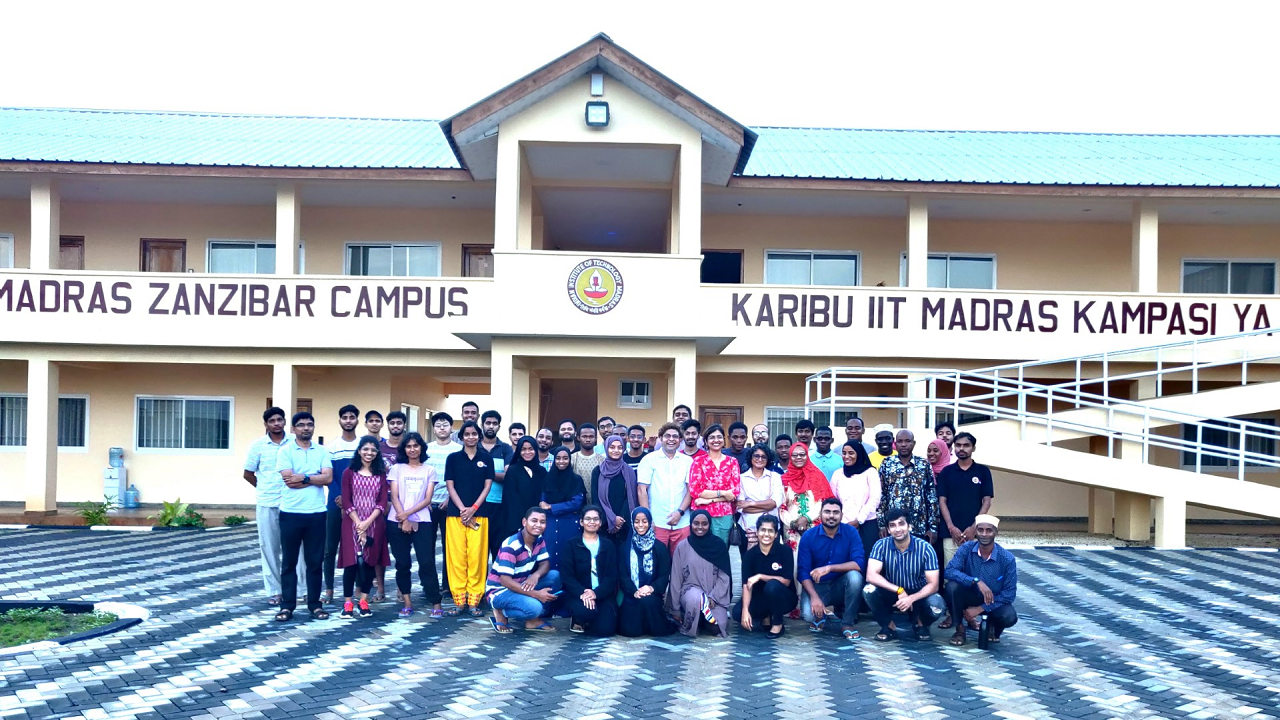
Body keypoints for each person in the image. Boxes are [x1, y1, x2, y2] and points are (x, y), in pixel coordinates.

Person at [273, 411, 332, 622]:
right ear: (293, 428)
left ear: (313, 427)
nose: (306, 428)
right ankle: (287, 605)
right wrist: (314, 478)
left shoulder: (323, 451)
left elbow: (328, 478)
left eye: (309, 424)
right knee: (289, 562)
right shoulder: (285, 451)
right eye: (301, 425)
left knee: (315, 562)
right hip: (290, 513)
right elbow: (289, 480)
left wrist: (304, 477)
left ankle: (315, 605)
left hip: (316, 513)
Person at [243, 406, 304, 607]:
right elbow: (248, 473)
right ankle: (275, 591)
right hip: (268, 503)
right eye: (272, 421)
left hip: (293, 504)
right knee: (269, 547)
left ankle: (302, 590)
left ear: (285, 422)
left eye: (280, 419)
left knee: (299, 548)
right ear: (266, 424)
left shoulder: (295, 443)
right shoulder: (257, 446)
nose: (276, 423)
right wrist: (264, 488)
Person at [863, 508, 947, 642]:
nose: (897, 529)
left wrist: (911, 598)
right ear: (888, 530)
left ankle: (921, 624)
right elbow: (871, 575)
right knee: (869, 590)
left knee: (937, 605)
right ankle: (888, 626)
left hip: (919, 593)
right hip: (892, 591)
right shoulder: (880, 545)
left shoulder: (925, 548)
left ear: (909, 526)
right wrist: (899, 590)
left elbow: (934, 584)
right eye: (892, 525)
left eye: (901, 524)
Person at [387, 431, 443, 619]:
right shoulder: (397, 469)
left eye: (416, 446)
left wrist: (408, 516)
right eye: (408, 446)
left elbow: (428, 499)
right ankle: (407, 602)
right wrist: (403, 519)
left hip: (423, 521)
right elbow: (394, 496)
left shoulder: (429, 470)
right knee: (402, 563)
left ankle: (435, 601)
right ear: (404, 449)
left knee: (427, 561)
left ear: (421, 448)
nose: (412, 449)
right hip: (396, 521)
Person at [444, 420, 495, 616]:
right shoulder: (453, 458)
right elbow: (450, 486)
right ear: (462, 437)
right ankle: (459, 600)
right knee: (457, 557)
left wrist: (473, 508)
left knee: (477, 556)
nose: (471, 437)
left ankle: (474, 600)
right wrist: (462, 509)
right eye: (467, 434)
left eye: (474, 434)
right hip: (455, 515)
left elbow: (488, 486)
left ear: (479, 436)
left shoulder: (486, 458)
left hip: (480, 514)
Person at [943, 514, 1017, 646]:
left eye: (989, 530)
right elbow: (949, 571)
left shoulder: (1007, 559)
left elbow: (1009, 595)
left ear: (996, 533)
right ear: (975, 532)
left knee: (1009, 616)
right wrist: (976, 581)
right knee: (952, 587)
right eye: (980, 530)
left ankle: (993, 627)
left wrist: (980, 609)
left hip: (992, 600)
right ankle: (960, 629)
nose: (984, 534)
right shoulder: (966, 548)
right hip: (970, 594)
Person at [797, 498, 865, 640]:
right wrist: (814, 597)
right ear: (820, 514)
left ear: (841, 514)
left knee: (855, 577)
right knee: (808, 616)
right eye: (827, 512)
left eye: (836, 512)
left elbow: (859, 564)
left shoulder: (851, 532)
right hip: (818, 587)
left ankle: (847, 623)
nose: (831, 516)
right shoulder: (809, 536)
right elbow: (803, 572)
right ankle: (820, 614)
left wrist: (829, 568)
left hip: (841, 584)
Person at [338, 435, 390, 619]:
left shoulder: (381, 474)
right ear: (359, 450)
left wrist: (367, 523)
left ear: (378, 453)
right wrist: (358, 523)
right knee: (351, 563)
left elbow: (383, 502)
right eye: (366, 449)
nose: (369, 453)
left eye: (373, 450)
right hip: (351, 524)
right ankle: (347, 603)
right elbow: (346, 499)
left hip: (375, 524)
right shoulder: (349, 473)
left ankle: (364, 601)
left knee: (369, 563)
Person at [486, 506, 560, 633]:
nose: (538, 525)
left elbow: (545, 564)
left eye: (542, 522)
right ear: (524, 522)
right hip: (500, 591)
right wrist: (536, 594)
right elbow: (505, 581)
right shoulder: (511, 545)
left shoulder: (539, 539)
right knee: (535, 608)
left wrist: (535, 576)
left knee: (554, 576)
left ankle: (532, 621)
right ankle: (501, 611)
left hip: (521, 583)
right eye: (534, 521)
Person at [665, 510, 733, 638]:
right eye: (696, 523)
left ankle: (701, 618)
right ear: (691, 524)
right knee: (696, 599)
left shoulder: (718, 545)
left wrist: (713, 596)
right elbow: (676, 579)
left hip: (714, 595)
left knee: (718, 627)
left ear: (709, 524)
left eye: (704, 524)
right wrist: (675, 609)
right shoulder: (682, 546)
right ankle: (694, 618)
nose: (700, 527)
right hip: (691, 590)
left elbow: (724, 576)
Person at [323, 404, 361, 605]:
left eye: (352, 417)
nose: (348, 420)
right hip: (334, 504)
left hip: (359, 505)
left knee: (355, 548)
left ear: (357, 420)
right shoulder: (330, 447)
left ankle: (357, 587)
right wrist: (340, 497)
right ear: (340, 420)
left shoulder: (363, 445)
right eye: (344, 417)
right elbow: (329, 476)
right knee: (330, 548)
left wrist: (351, 499)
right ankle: (329, 588)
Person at [617, 507, 677, 637]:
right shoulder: (625, 548)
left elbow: (663, 576)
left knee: (648, 602)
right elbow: (623, 576)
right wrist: (634, 591)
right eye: (637, 521)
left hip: (652, 595)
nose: (640, 525)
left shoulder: (659, 548)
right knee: (630, 632)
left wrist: (651, 588)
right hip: (631, 596)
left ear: (650, 522)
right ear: (632, 524)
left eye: (644, 521)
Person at [560, 505, 618, 636]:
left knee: (605, 630)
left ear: (600, 522)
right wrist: (583, 593)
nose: (592, 522)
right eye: (588, 519)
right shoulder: (571, 545)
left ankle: (594, 620)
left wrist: (596, 593)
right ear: (581, 522)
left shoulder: (608, 545)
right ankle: (579, 619)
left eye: (595, 519)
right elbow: (567, 576)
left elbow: (611, 576)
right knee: (586, 612)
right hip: (578, 595)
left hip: (601, 594)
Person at [735, 515, 796, 638]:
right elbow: (746, 585)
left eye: (770, 531)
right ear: (757, 532)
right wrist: (745, 611)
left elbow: (786, 581)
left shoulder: (785, 551)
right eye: (763, 530)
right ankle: (766, 616)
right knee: (737, 613)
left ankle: (777, 623)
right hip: (761, 597)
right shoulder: (749, 555)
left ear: (776, 534)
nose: (766, 534)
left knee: (772, 586)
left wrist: (760, 576)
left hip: (784, 598)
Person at [637, 422, 693, 552]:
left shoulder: (687, 461)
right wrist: (647, 519)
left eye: (675, 436)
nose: (671, 439)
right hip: (656, 521)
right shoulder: (649, 460)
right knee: (657, 561)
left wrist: (680, 512)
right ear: (660, 438)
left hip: (682, 521)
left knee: (681, 561)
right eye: (667, 436)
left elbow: (690, 490)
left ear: (680, 440)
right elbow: (642, 490)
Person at [937, 432, 992, 564]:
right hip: (950, 533)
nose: (961, 449)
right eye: (958, 445)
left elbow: (987, 501)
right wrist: (951, 527)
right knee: (951, 574)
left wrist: (974, 527)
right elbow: (942, 501)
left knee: (974, 572)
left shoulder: (983, 471)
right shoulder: (946, 472)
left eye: (966, 445)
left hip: (975, 533)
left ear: (973, 448)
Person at [877, 430, 938, 544]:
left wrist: (933, 527)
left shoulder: (924, 464)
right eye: (900, 441)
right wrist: (881, 525)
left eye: (907, 441)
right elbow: (881, 496)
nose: (904, 444)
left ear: (913, 443)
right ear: (895, 444)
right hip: (894, 526)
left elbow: (931, 497)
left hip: (919, 526)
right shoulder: (887, 464)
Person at [425, 412, 460, 602]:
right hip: (428, 506)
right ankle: (430, 586)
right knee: (426, 547)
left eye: (445, 424)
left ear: (451, 427)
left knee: (450, 547)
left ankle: (448, 586)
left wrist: (450, 499)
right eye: (438, 425)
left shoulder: (457, 450)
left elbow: (460, 479)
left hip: (449, 505)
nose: (441, 428)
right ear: (434, 428)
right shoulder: (427, 450)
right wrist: (426, 500)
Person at [688, 424, 741, 545]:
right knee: (700, 549)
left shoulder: (732, 462)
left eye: (719, 437)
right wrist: (722, 493)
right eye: (712, 437)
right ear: (706, 441)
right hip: (701, 514)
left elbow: (734, 493)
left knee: (720, 549)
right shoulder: (698, 461)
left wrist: (708, 500)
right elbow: (695, 490)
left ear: (724, 440)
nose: (716, 440)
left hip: (724, 514)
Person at [779, 443, 835, 548]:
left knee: (816, 560)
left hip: (815, 527)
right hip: (791, 530)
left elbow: (823, 501)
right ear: (790, 457)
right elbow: (781, 507)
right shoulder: (784, 479)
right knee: (794, 561)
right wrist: (793, 523)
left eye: (802, 454)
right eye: (794, 455)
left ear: (807, 456)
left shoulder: (817, 476)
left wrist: (806, 518)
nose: (799, 457)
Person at [540, 446, 587, 569]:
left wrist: (551, 507)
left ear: (570, 460)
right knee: (549, 554)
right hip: (550, 524)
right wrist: (548, 506)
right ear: (554, 460)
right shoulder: (547, 478)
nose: (562, 461)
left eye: (565, 458)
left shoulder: (576, 480)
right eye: (558, 458)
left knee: (568, 555)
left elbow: (576, 503)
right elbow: (542, 501)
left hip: (570, 523)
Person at [833, 440, 882, 560]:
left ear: (859, 454)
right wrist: (843, 520)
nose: (846, 456)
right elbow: (833, 500)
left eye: (851, 453)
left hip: (867, 523)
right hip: (843, 524)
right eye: (844, 453)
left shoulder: (870, 472)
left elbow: (875, 498)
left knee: (867, 558)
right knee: (845, 557)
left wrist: (859, 520)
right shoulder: (838, 474)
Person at [591, 436, 639, 546]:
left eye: (619, 447)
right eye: (612, 447)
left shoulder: (629, 471)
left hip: (623, 523)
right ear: (606, 448)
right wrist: (610, 519)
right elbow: (595, 498)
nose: (616, 451)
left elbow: (631, 497)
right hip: (604, 524)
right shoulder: (598, 471)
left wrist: (619, 520)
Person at [501, 437, 546, 554]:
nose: (527, 452)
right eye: (523, 449)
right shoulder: (513, 470)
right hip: (518, 524)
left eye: (530, 449)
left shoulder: (541, 471)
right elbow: (510, 500)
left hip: (538, 523)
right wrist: (521, 524)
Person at [480, 410, 514, 559]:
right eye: (488, 423)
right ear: (482, 425)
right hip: (477, 506)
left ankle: (497, 583)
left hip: (499, 507)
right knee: (479, 552)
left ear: (499, 426)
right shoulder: (474, 447)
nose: (491, 426)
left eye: (494, 424)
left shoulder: (505, 449)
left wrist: (484, 472)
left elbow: (508, 476)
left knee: (498, 551)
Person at [736, 445, 782, 550]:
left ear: (768, 459)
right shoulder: (741, 479)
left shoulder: (775, 477)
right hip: (748, 529)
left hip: (771, 529)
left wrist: (750, 503)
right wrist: (766, 505)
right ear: (750, 458)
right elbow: (741, 507)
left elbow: (774, 503)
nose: (760, 459)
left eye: (763, 457)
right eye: (756, 456)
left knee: (771, 563)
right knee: (748, 563)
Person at [571, 423, 604, 493]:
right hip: (577, 500)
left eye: (591, 437)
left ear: (595, 438)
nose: (588, 439)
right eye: (584, 436)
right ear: (578, 438)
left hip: (597, 500)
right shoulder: (572, 459)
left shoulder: (602, 460)